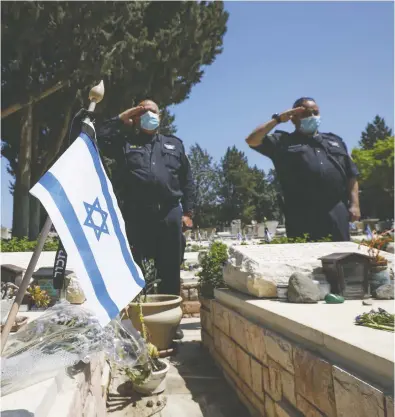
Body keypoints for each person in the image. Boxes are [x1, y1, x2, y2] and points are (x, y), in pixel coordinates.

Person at [97, 100, 194, 338]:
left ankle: (170, 326)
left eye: (153, 111)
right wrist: (124, 116)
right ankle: (133, 326)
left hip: (169, 214)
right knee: (134, 270)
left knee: (170, 271)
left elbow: (188, 180)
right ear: (136, 117)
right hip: (136, 215)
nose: (149, 114)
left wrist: (189, 213)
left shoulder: (174, 144)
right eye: (143, 111)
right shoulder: (124, 142)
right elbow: (98, 137)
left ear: (160, 117)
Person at [245, 97, 360, 242]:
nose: (312, 117)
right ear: (293, 118)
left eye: (315, 113)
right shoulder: (282, 141)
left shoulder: (335, 141)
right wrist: (278, 119)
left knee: (342, 258)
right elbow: (252, 140)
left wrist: (355, 204)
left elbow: (352, 174)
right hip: (301, 213)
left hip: (336, 210)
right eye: (306, 114)